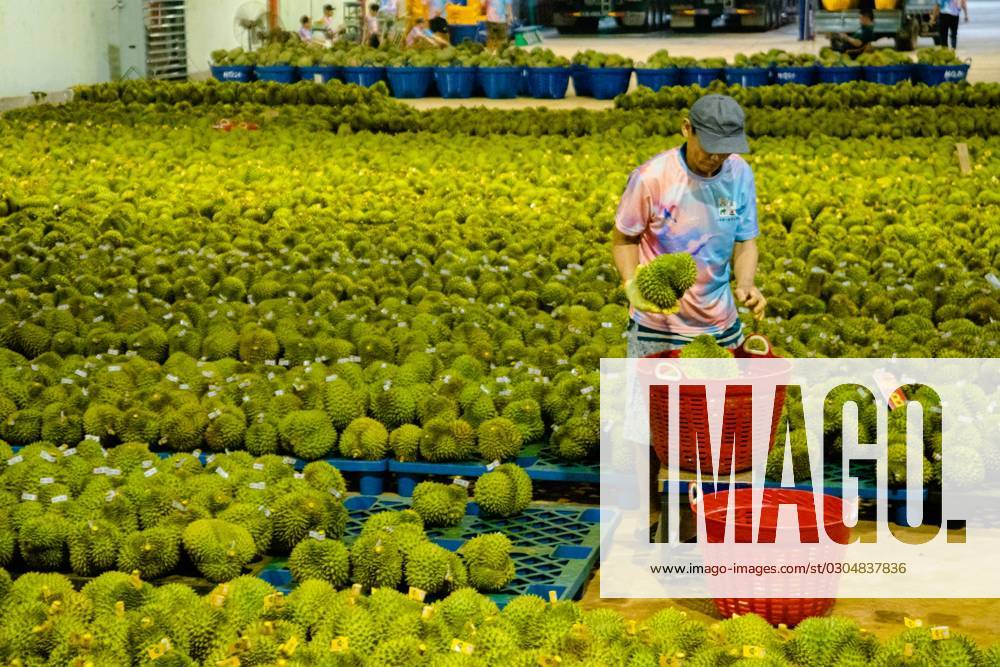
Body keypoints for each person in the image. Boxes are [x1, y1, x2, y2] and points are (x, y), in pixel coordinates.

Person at [613, 94, 765, 359]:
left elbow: (745, 240)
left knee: (721, 401)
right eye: (710, 146)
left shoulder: (740, 173)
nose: (716, 156)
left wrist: (746, 283)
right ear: (686, 129)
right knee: (653, 401)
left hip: (721, 324)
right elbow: (624, 238)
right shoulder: (651, 178)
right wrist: (629, 284)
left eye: (726, 148)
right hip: (658, 327)